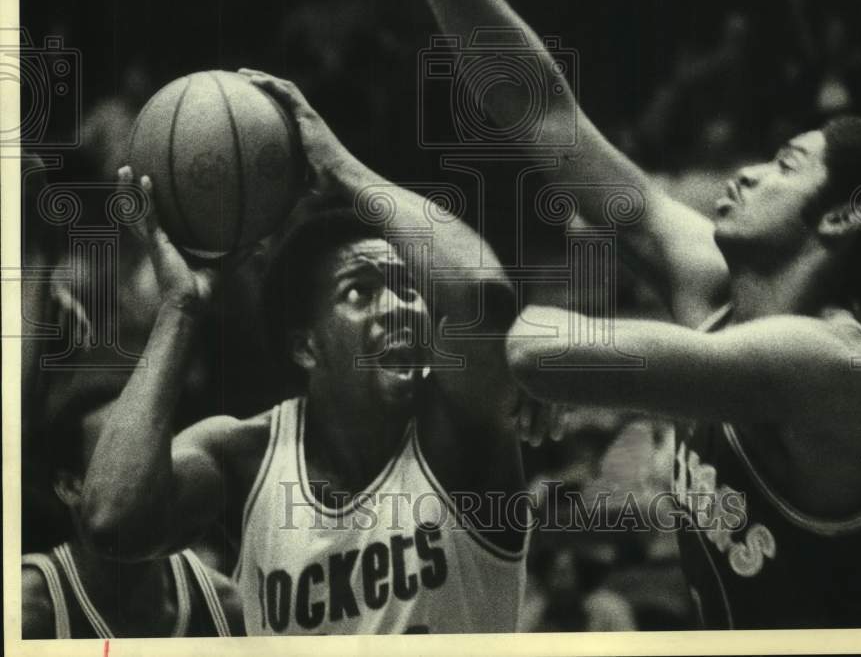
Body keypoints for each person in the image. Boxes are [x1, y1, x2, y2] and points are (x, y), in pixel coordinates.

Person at [274, 0, 861, 628]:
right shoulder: (713, 286)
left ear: (846, 214)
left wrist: (576, 374)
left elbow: (539, 349)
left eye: (785, 164)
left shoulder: (835, 370)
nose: (744, 171)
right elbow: (547, 116)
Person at [79, 68, 542, 635]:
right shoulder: (246, 457)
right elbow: (112, 521)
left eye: (407, 287)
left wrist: (342, 167)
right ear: (306, 347)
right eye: (361, 291)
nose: (398, 306)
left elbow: (478, 294)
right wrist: (181, 307)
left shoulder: (460, 434)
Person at [22, 393, 243, 638]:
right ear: (70, 486)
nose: (146, 478)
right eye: (124, 465)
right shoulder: (29, 610)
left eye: (154, 459)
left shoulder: (225, 606)